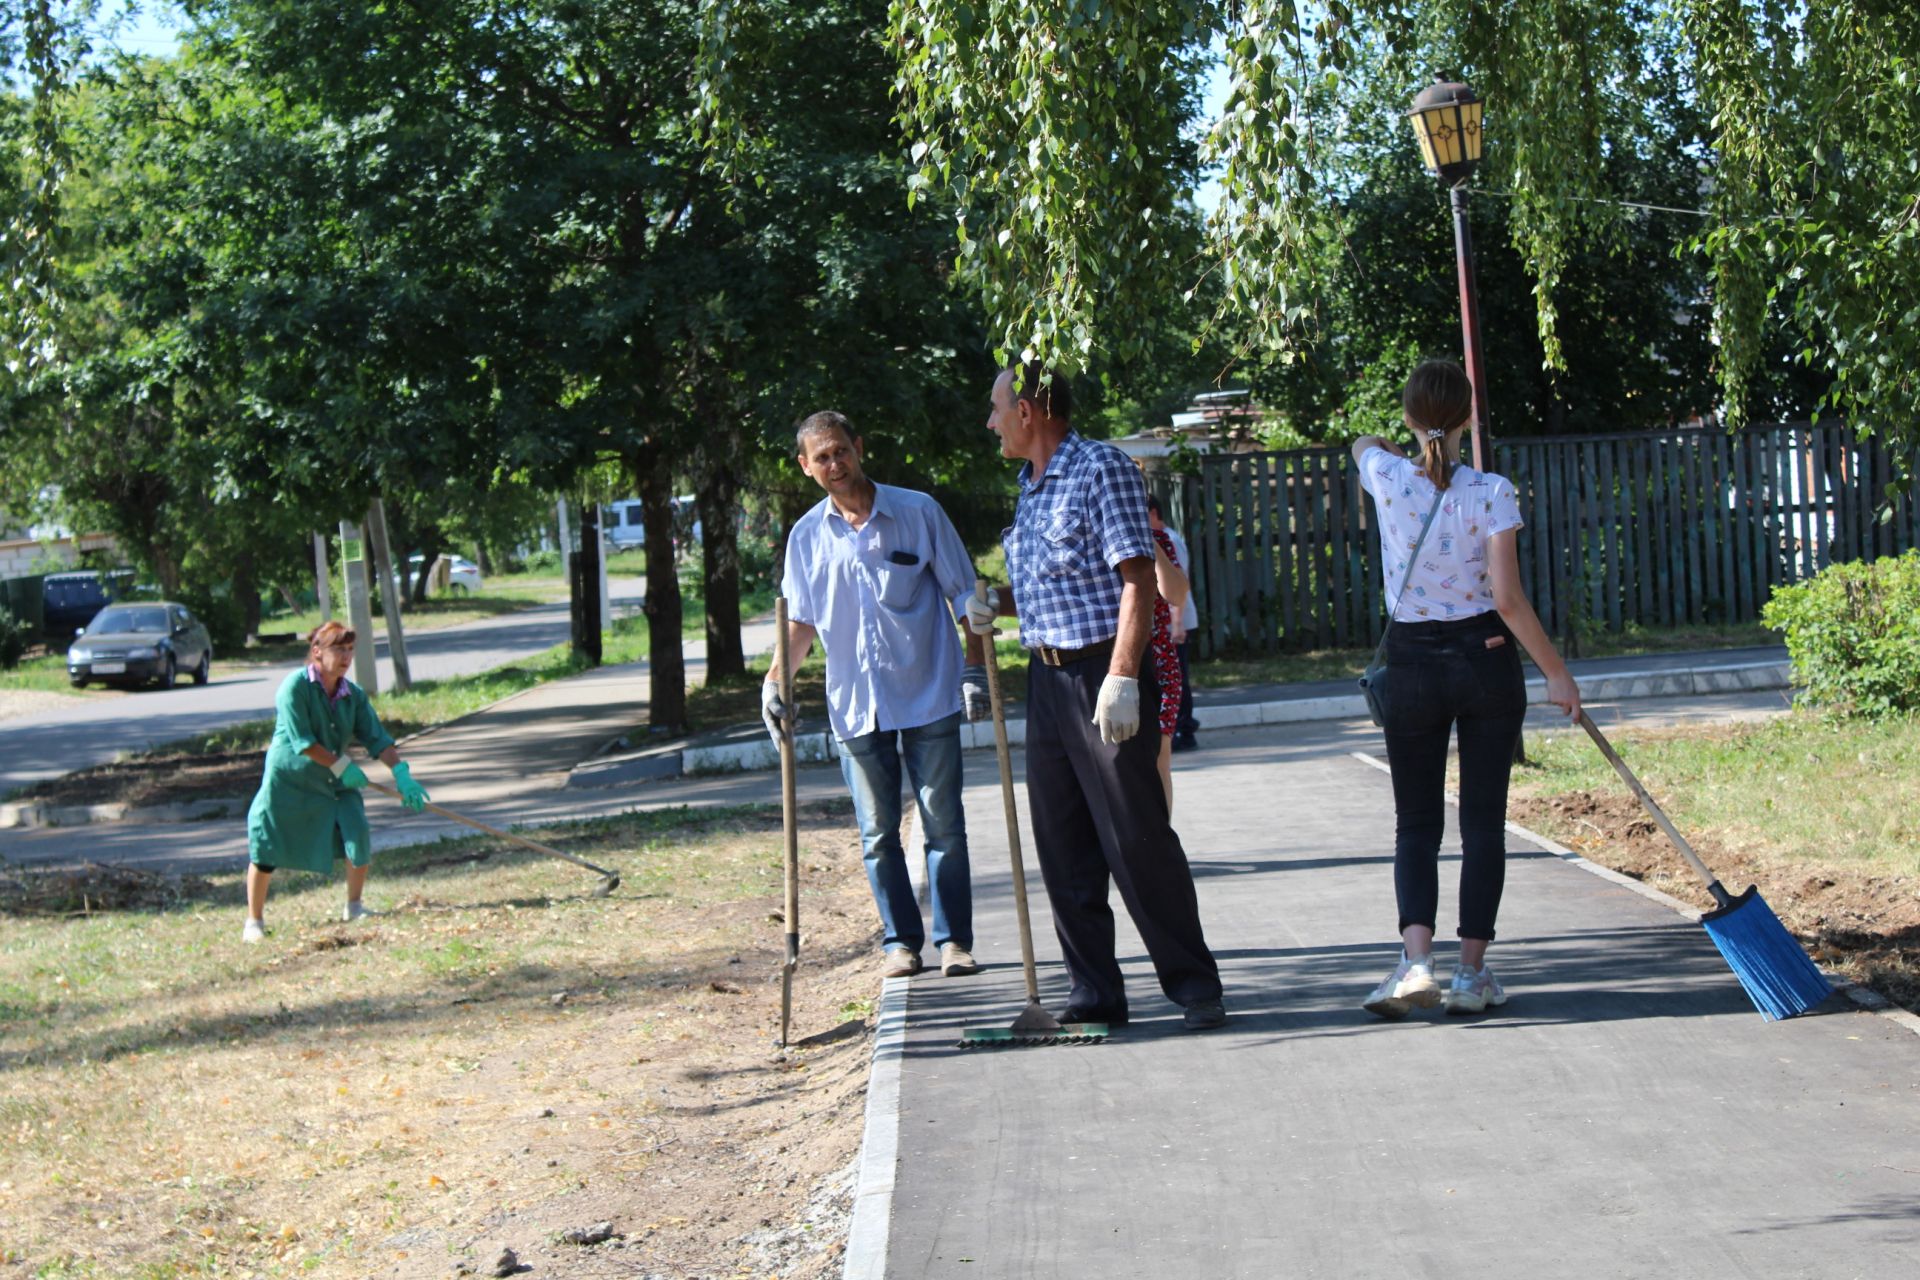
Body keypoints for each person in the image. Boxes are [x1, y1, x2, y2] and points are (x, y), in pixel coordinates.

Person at [966, 364, 1226, 1031]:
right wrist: (989, 604)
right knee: (1062, 844)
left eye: (997, 409)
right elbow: (1056, 584)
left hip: (1100, 674)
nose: (990, 422)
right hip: (1047, 680)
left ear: (1027, 411)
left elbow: (1138, 580)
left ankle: (1195, 986)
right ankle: (1095, 996)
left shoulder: (1099, 468)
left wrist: (1121, 677)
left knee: (1135, 837)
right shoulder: (1030, 488)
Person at [1350, 359, 1580, 1017]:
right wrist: (1557, 674)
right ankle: (1471, 975)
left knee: (1415, 822)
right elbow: (1507, 599)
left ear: (1407, 416)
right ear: (1470, 417)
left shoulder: (1387, 478)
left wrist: (1389, 444)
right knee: (1482, 823)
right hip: (1485, 659)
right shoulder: (1494, 493)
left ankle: (1415, 963)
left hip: (1414, 662)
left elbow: (1361, 446)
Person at [763, 410, 985, 981]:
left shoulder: (918, 512)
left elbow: (967, 596)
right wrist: (775, 682)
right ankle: (901, 943)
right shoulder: (806, 537)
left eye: (840, 451)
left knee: (944, 825)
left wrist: (977, 669)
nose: (834, 464)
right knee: (877, 834)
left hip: (929, 691)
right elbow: (801, 625)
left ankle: (955, 942)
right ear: (805, 467)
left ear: (859, 448)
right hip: (856, 705)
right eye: (821, 457)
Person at [243, 621, 430, 943]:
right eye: (338, 649)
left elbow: (376, 737)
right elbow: (303, 741)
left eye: (349, 650)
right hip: (289, 779)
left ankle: (354, 906)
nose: (345, 657)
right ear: (317, 651)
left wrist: (401, 774)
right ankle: (254, 922)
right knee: (267, 847)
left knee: (356, 830)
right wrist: (343, 766)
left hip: (334, 778)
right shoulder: (294, 687)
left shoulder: (351, 694)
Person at [1146, 495, 1200, 751]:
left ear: (1153, 513)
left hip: (1174, 622)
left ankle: (1184, 729)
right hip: (1165, 623)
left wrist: (1175, 625)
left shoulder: (1169, 541)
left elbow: (1178, 582)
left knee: (1176, 679)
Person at [1146, 516, 1188, 810]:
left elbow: (1175, 593)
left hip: (1159, 664)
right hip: (1103, 663)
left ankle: (1160, 844)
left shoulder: (1160, 541)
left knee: (1160, 758)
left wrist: (1150, 544)